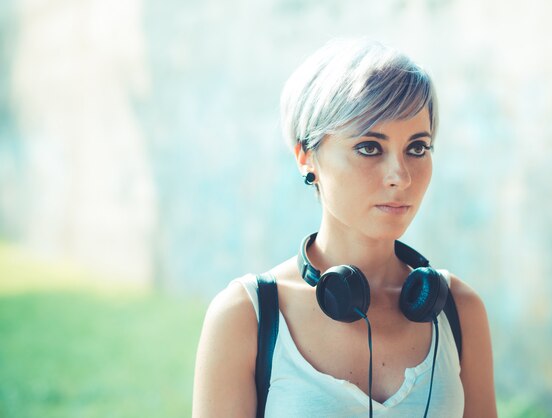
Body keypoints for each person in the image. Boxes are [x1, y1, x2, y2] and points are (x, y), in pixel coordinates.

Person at [192, 38, 497, 418]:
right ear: (306, 156)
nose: (400, 177)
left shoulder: (457, 308)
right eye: (370, 147)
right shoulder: (246, 316)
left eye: (417, 147)